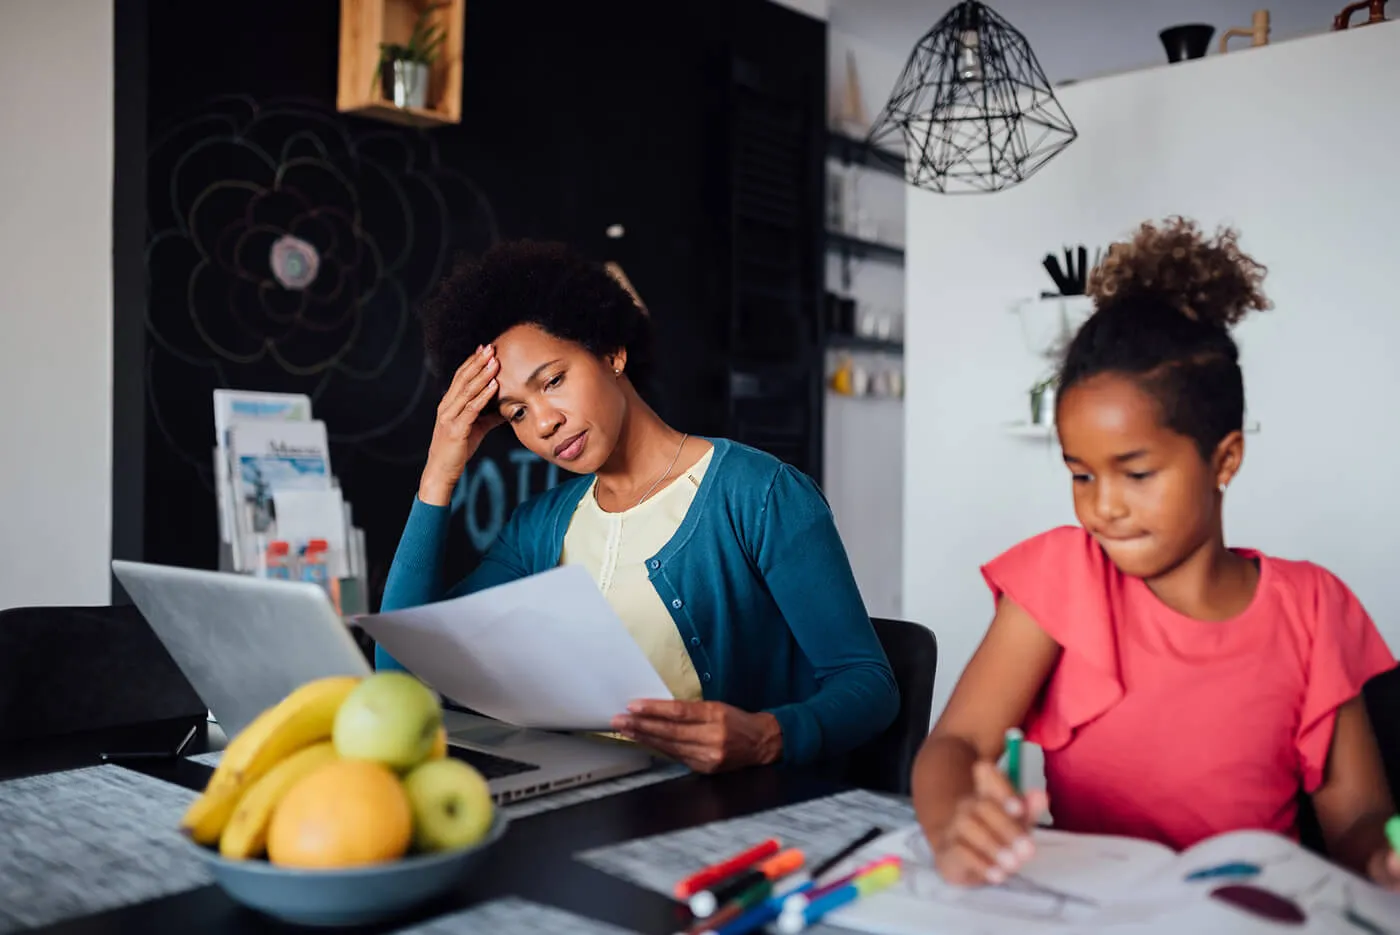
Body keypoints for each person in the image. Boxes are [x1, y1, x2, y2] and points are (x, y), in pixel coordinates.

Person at [911, 217, 1399, 890]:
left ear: (1223, 458)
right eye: (1081, 473)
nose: (1103, 504)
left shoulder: (1313, 608)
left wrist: (1383, 857)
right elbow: (955, 744)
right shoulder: (1062, 579)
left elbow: (1359, 817)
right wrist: (954, 814)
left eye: (1136, 474)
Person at [375, 240, 899, 774]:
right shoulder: (537, 528)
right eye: (516, 413)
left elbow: (869, 684)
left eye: (553, 381)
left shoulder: (759, 495)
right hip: (583, 811)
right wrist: (440, 469)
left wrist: (767, 736)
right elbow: (399, 676)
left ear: (611, 353)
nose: (543, 423)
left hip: (726, 817)